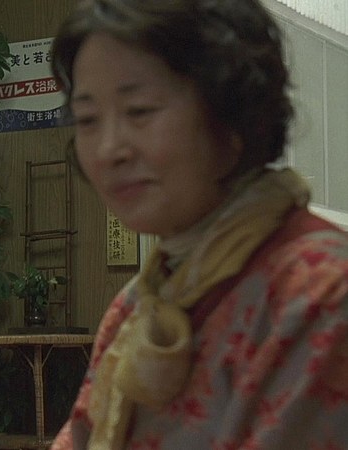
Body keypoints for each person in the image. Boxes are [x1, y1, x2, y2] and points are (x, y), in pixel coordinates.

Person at [48, 1, 348, 449]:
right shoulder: (139, 304)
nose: (109, 149)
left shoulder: (321, 293)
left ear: (232, 116)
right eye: (88, 119)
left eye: (140, 110)